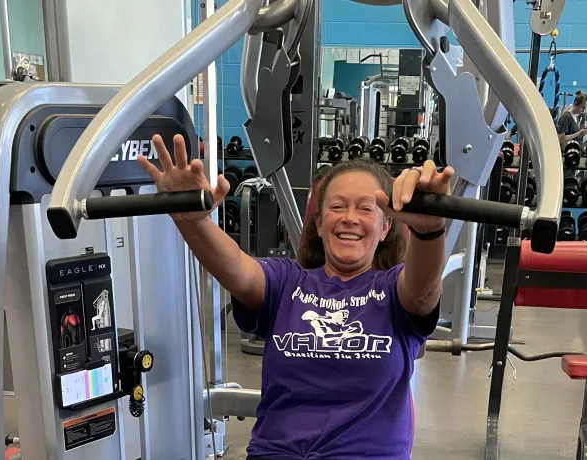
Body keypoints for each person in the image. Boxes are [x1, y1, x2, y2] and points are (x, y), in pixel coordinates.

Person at [138, 137, 451, 460]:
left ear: (386, 226)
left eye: (365, 208)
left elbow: (423, 289)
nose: (349, 217)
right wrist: (194, 221)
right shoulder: (285, 282)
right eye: (337, 206)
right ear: (319, 222)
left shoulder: (393, 291)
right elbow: (235, 269)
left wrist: (429, 230)